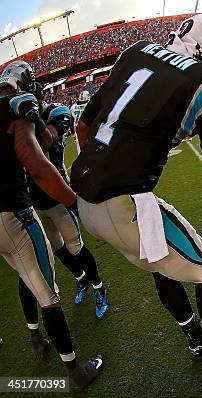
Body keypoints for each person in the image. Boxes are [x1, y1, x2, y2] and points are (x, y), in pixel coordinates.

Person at [70, 14, 202, 371]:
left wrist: (105, 168)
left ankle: (195, 337)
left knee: (162, 265)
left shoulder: (135, 51)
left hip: (86, 197)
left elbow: (85, 126)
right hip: (124, 201)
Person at [0, 60, 102, 390]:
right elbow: (38, 165)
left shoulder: (44, 111)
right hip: (18, 210)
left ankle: (38, 334)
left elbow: (46, 141)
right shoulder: (16, 108)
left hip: (21, 213)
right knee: (48, 292)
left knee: (41, 267)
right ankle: (74, 373)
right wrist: (78, 201)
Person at [25, 102, 108, 318]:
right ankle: (82, 278)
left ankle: (99, 287)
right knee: (57, 248)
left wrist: (31, 118)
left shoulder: (55, 112)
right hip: (35, 202)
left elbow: (46, 141)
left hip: (58, 197)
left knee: (75, 247)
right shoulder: (20, 120)